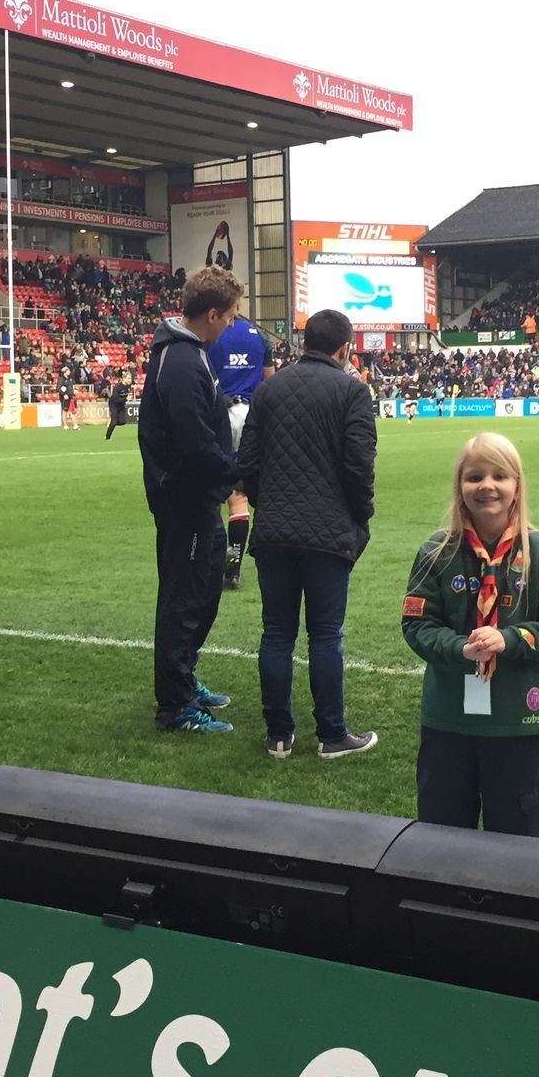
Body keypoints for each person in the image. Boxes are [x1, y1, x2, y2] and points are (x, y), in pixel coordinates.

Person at [402, 434, 539, 836]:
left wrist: (510, 639)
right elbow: (416, 625)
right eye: (474, 476)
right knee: (441, 839)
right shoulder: (437, 551)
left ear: (517, 485)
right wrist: (460, 648)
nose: (487, 485)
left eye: (500, 475)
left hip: (516, 722)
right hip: (448, 721)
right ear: (459, 486)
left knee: (515, 844)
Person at [237, 308, 379, 760]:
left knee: (276, 633)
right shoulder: (352, 392)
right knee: (324, 635)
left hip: (274, 530)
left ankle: (278, 734)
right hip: (328, 531)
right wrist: (360, 519)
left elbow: (248, 464)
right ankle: (332, 734)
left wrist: (269, 506)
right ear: (344, 348)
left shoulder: (268, 389)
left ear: (304, 343)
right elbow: (360, 467)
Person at [139, 266, 244, 733]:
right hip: (186, 497)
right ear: (214, 314)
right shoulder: (182, 360)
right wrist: (238, 473)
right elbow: (194, 440)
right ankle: (175, 703)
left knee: (203, 594)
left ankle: (184, 679)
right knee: (185, 598)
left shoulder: (187, 354)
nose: (233, 325)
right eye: (232, 316)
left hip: (196, 495)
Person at [211, 305, 268, 591]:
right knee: (239, 496)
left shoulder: (214, 332)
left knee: (209, 492)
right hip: (250, 418)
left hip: (220, 414)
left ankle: (208, 564)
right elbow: (268, 381)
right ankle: (232, 570)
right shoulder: (259, 337)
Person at [104, 371, 130, 441]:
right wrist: (125, 399)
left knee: (123, 422)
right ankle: (107, 437)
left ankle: (112, 421)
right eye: (128, 378)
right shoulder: (117, 387)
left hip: (121, 404)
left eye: (130, 378)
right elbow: (115, 399)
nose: (130, 380)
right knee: (114, 421)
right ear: (123, 379)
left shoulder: (128, 386)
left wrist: (125, 401)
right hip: (114, 404)